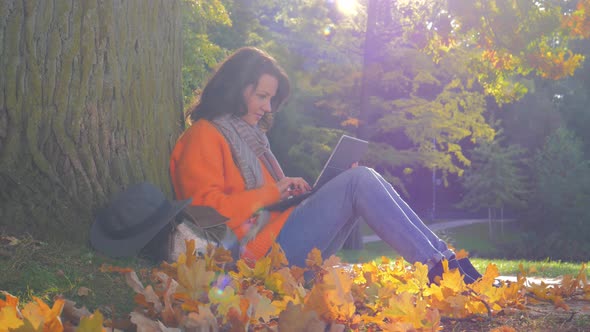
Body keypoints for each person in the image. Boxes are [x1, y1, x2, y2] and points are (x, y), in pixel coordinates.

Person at [169, 47, 483, 284]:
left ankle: (443, 261)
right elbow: (204, 213)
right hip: (255, 258)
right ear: (236, 87)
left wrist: (294, 193)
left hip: (277, 243)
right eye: (262, 96)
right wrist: (271, 193)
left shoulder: (248, 138)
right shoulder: (203, 135)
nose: (267, 108)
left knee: (358, 180)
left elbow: (264, 201)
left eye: (271, 99)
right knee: (359, 180)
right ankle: (441, 268)